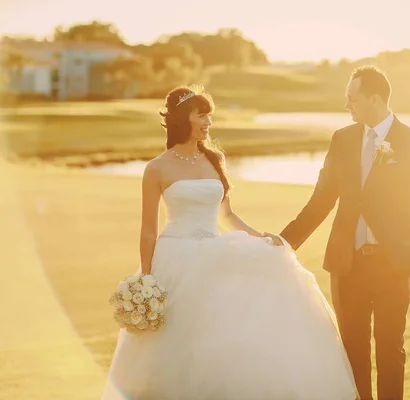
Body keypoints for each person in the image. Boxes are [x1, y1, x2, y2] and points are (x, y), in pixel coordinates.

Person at [101, 85, 357, 400]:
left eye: (210, 116)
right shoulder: (156, 168)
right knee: (171, 341)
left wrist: (258, 236)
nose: (208, 123)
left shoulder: (215, 158)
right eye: (202, 115)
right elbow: (148, 231)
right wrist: (147, 277)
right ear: (184, 118)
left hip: (213, 254)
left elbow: (228, 214)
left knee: (217, 338)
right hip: (174, 257)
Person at [265, 65, 410, 400]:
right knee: (351, 351)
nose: (347, 106)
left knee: (390, 349)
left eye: (352, 99)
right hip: (347, 265)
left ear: (375, 99)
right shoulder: (342, 139)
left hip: (394, 265)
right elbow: (322, 199)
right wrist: (286, 240)